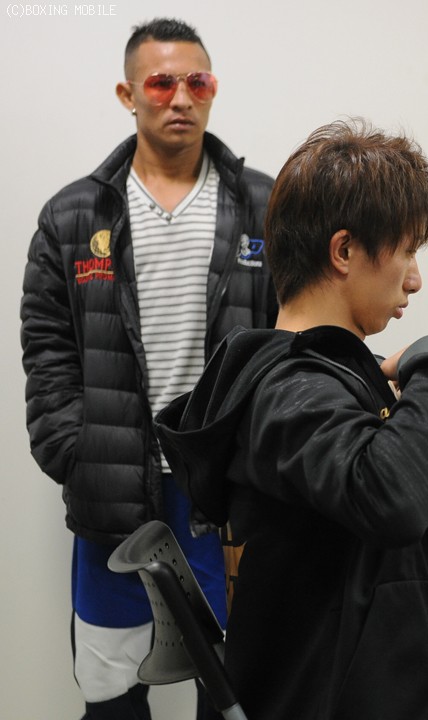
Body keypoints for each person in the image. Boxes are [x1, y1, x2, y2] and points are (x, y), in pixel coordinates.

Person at [151, 119, 428, 720]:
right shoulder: (290, 391)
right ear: (343, 252)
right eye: (408, 251)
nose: (415, 278)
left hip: (369, 673)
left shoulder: (311, 381)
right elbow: (393, 495)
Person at [20, 17, 276, 720]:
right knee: (111, 695)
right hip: (114, 502)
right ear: (127, 94)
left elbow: (293, 335)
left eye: (198, 82)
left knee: (235, 690)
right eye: (161, 83)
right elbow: (47, 347)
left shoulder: (263, 205)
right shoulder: (73, 217)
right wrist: (76, 453)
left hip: (225, 498)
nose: (181, 98)